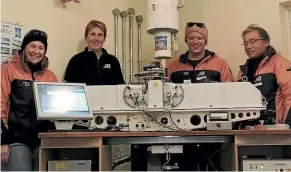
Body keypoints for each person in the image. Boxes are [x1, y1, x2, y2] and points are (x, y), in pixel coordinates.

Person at [1, 29, 58, 171]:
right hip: (16, 140)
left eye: (41, 48)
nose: (36, 51)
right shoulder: (8, 71)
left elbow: (59, 108)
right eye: (32, 46)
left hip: (44, 140)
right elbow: (0, 104)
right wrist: (3, 141)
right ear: (24, 48)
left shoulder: (50, 76)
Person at [237, 24, 291, 128]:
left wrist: (288, 127)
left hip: (276, 130)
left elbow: (289, 95)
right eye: (245, 43)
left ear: (266, 42)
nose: (248, 46)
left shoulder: (280, 63)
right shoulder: (243, 71)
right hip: (249, 131)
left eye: (252, 42)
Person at [167, 22, 234, 83]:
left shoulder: (220, 65)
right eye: (191, 38)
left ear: (205, 41)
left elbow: (231, 91)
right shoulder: (173, 67)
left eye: (199, 38)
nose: (195, 42)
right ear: (186, 41)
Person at [63, 20, 125, 85]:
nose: (96, 38)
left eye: (100, 35)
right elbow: (69, 88)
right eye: (93, 34)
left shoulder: (113, 61)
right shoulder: (76, 61)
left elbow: (121, 86)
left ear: (104, 38)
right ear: (86, 37)